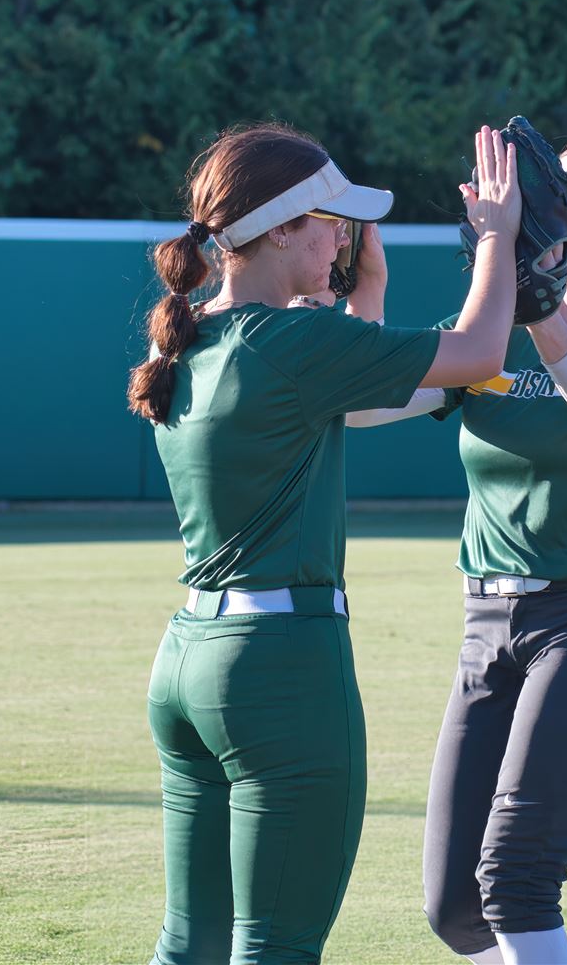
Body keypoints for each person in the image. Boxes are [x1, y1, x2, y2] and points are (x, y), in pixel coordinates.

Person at [128, 123, 524, 965]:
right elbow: (483, 350)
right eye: (330, 219)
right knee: (277, 945)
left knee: (189, 943)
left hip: (190, 661)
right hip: (280, 668)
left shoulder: (193, 334)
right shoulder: (292, 342)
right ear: (278, 229)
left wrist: (366, 291)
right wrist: (498, 238)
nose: (344, 235)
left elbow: (341, 394)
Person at [347, 131, 567, 965]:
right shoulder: (486, 334)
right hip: (485, 623)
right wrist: (367, 289)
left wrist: (537, 310)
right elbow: (360, 407)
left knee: (514, 879)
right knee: (454, 909)